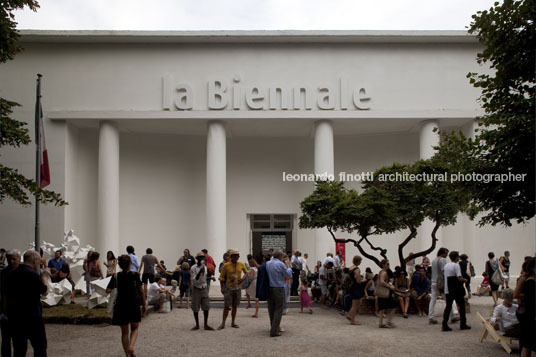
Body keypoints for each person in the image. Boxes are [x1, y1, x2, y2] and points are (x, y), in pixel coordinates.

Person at [6, 250, 48, 356]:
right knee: (40, 347)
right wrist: (44, 277)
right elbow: (44, 292)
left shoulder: (11, 274)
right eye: (38, 261)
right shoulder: (32, 274)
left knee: (19, 349)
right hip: (33, 316)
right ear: (34, 261)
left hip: (16, 317)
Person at [106, 254, 146, 357]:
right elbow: (141, 291)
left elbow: (108, 290)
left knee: (124, 332)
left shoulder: (116, 276)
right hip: (133, 304)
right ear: (130, 263)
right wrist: (144, 305)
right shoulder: (135, 275)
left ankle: (127, 355)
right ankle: (131, 346)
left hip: (121, 305)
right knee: (135, 328)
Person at [217, 249, 248, 330]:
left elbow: (246, 272)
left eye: (237, 256)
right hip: (229, 288)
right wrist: (222, 288)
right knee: (226, 306)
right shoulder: (226, 265)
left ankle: (233, 322)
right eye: (235, 255)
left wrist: (243, 279)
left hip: (237, 288)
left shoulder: (241, 264)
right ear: (231, 256)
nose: (237, 257)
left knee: (235, 306)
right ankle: (223, 323)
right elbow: (221, 277)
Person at [266, 250, 292, 337]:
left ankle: (273, 327)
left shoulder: (268, 263)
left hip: (269, 288)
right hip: (278, 288)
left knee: (271, 309)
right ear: (280, 256)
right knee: (278, 309)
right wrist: (288, 267)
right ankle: (274, 330)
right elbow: (288, 275)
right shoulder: (280, 264)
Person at [442, 251, 470, 331]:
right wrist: (464, 280)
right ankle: (463, 323)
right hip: (456, 288)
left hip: (448, 287)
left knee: (448, 306)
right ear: (456, 257)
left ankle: (444, 324)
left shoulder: (447, 265)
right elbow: (459, 277)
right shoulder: (456, 265)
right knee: (461, 306)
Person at [428, 248, 458, 324]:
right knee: (448, 299)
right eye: (446, 254)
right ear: (443, 253)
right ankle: (453, 315)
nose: (446, 255)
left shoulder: (434, 260)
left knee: (433, 300)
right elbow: (444, 272)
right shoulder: (442, 260)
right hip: (441, 283)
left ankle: (431, 316)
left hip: (434, 281)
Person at [1, 249, 20, 357]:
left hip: (19, 311)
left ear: (19, 258)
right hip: (6, 310)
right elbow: (3, 293)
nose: (11, 261)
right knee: (5, 340)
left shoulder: (23, 271)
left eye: (14, 259)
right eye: (9, 259)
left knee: (18, 340)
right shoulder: (3, 273)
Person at [516, 257, 535, 356]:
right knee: (528, 344)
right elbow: (516, 295)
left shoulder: (527, 279)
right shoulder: (528, 281)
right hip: (528, 314)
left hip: (527, 313)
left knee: (528, 344)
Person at [190, 252, 213, 330]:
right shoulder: (193, 268)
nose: (203, 259)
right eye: (201, 258)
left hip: (204, 288)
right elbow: (194, 280)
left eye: (203, 258)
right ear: (197, 259)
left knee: (206, 306)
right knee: (195, 307)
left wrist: (210, 278)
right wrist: (200, 272)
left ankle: (206, 324)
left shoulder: (205, 267)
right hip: (196, 288)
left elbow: (204, 278)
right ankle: (197, 325)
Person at [376, 259, 396, 328]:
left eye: (388, 264)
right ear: (383, 265)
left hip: (381, 292)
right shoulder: (384, 272)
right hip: (385, 292)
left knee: (382, 308)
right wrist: (390, 286)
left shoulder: (381, 272)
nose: (388, 265)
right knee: (393, 306)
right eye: (387, 264)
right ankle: (388, 321)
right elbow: (382, 281)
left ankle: (381, 323)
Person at [347, 255, 366, 325]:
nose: (361, 262)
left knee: (355, 304)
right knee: (355, 305)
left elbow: (353, 278)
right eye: (360, 261)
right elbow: (358, 281)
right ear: (358, 261)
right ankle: (353, 320)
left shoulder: (351, 268)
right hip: (356, 288)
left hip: (351, 287)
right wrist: (363, 280)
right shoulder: (357, 269)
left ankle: (350, 315)